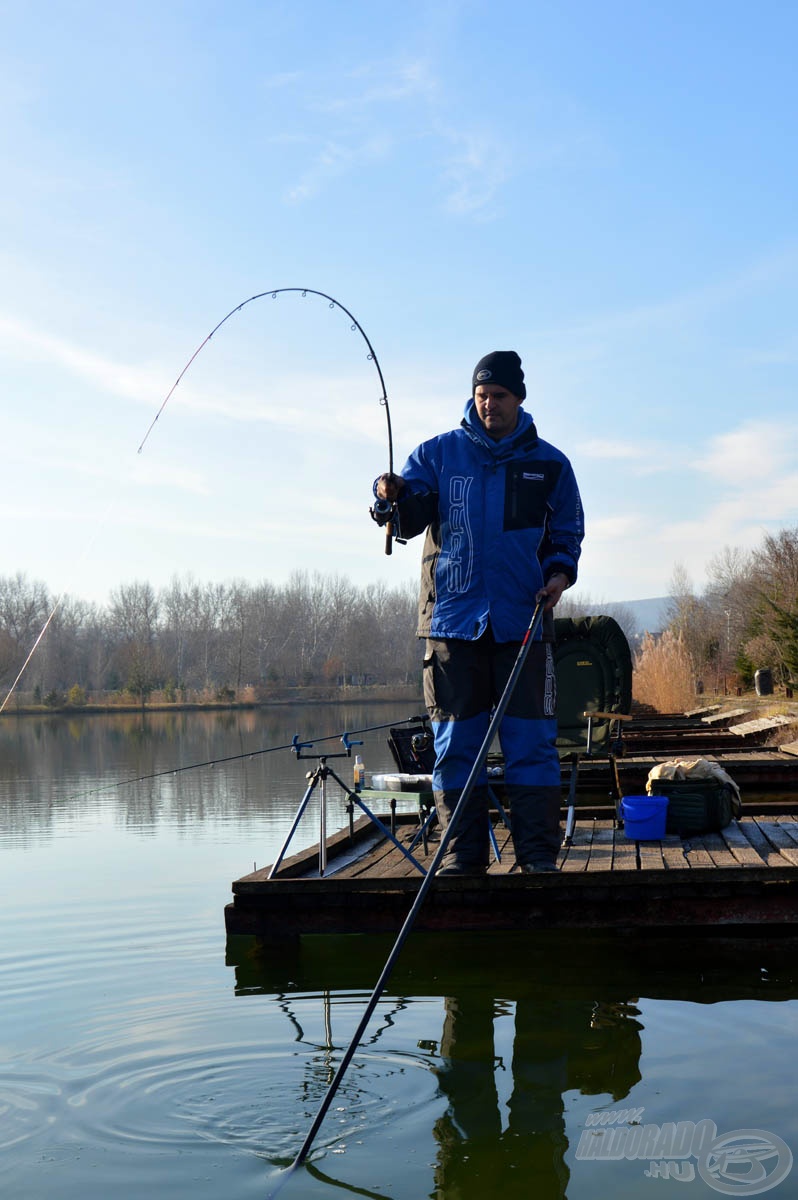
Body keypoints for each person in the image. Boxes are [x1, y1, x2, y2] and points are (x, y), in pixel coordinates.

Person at [374, 350, 584, 874]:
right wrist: (389, 497)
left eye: (500, 395)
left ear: (519, 399)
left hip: (525, 626)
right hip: (451, 628)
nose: (489, 403)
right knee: (455, 749)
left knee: (532, 748)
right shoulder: (435, 456)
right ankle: (461, 863)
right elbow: (405, 517)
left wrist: (559, 575)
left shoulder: (551, 464)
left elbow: (567, 535)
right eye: (482, 394)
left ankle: (537, 861)